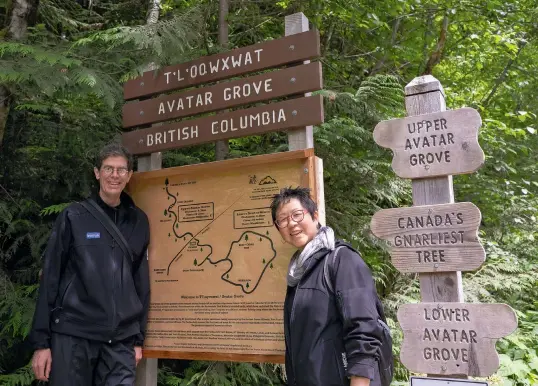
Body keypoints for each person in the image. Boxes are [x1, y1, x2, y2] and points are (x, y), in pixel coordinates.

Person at [29, 143, 150, 385]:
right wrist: (42, 343)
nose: (114, 176)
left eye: (120, 170)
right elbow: (50, 278)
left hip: (120, 341)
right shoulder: (74, 216)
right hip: (74, 335)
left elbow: (140, 283)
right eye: (108, 169)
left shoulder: (139, 221)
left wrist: (138, 340)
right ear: (97, 173)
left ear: (129, 175)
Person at [270, 187, 388, 386]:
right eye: (282, 220)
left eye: (297, 215)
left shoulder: (342, 260)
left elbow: (364, 328)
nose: (291, 223)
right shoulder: (299, 271)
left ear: (315, 216)